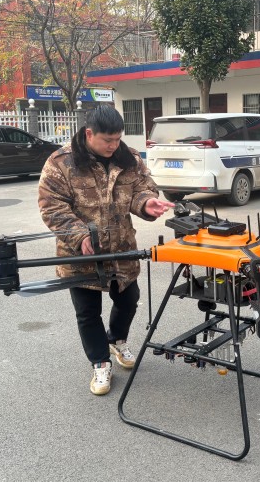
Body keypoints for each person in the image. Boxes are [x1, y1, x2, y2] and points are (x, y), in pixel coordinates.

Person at [38, 104, 173, 396]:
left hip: (122, 249)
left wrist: (146, 202)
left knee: (129, 300)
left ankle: (116, 340)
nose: (114, 145)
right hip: (81, 255)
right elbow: (51, 205)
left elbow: (143, 188)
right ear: (89, 134)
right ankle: (100, 362)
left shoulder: (129, 158)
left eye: (117, 139)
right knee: (88, 312)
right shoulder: (61, 162)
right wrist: (78, 234)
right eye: (107, 140)